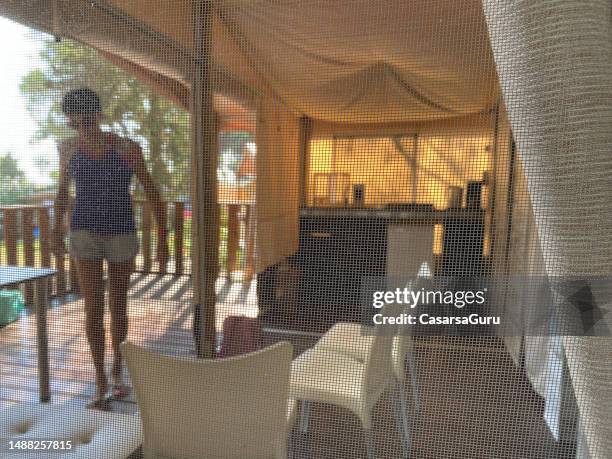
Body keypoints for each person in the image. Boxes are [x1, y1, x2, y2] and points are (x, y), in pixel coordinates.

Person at [52, 88, 168, 408]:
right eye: (75, 120)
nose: (81, 125)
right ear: (70, 121)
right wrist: (54, 230)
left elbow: (152, 191)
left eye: (87, 117)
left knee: (118, 306)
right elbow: (63, 192)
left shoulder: (128, 148)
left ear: (99, 115)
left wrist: (162, 238)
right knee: (92, 308)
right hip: (84, 234)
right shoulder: (68, 150)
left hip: (121, 234)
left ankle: (117, 372)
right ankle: (100, 381)